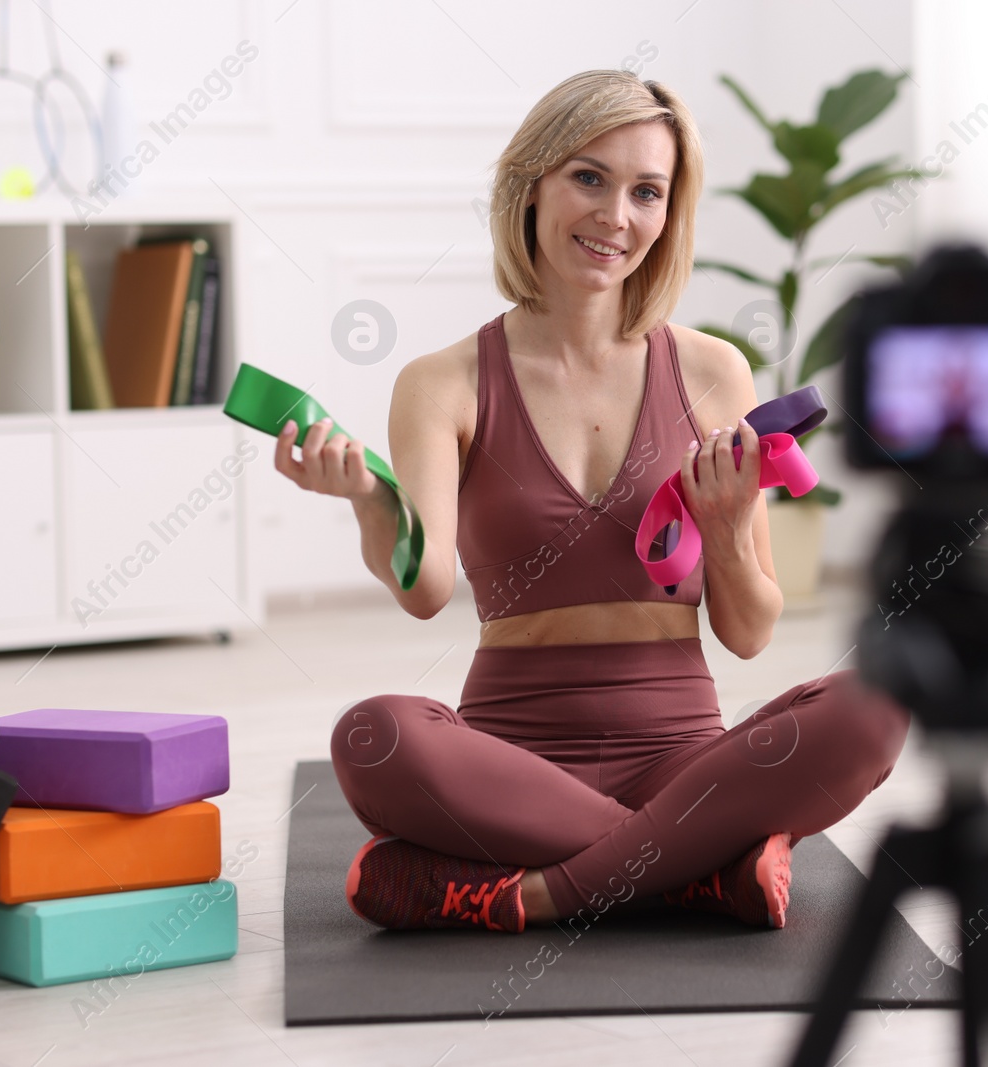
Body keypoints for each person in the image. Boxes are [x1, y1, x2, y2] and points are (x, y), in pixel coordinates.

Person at [272, 70, 909, 934]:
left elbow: (751, 631)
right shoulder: (442, 382)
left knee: (875, 703)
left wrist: (723, 533)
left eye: (647, 190)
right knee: (371, 736)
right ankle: (697, 869)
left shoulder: (713, 370)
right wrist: (363, 501)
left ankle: (534, 893)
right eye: (589, 177)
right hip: (508, 764)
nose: (616, 216)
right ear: (531, 184)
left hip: (682, 759)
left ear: (669, 212)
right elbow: (424, 591)